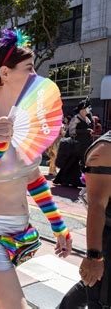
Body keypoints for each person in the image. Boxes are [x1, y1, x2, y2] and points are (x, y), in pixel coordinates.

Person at [0, 29, 72, 308]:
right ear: (5, 73)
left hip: (21, 235)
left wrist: (59, 226)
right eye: (29, 69)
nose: (35, 77)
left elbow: (33, 177)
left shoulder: (25, 121)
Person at [58, 130, 111, 308]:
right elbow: (97, 205)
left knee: (91, 285)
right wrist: (94, 257)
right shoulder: (104, 150)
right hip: (107, 242)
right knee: (99, 293)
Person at [54, 99, 93, 187]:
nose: (89, 109)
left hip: (84, 145)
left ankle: (76, 181)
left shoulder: (87, 118)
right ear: (83, 108)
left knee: (77, 164)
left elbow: (90, 128)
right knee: (71, 162)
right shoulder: (76, 118)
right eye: (88, 108)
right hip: (75, 145)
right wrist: (85, 131)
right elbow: (71, 131)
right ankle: (63, 179)